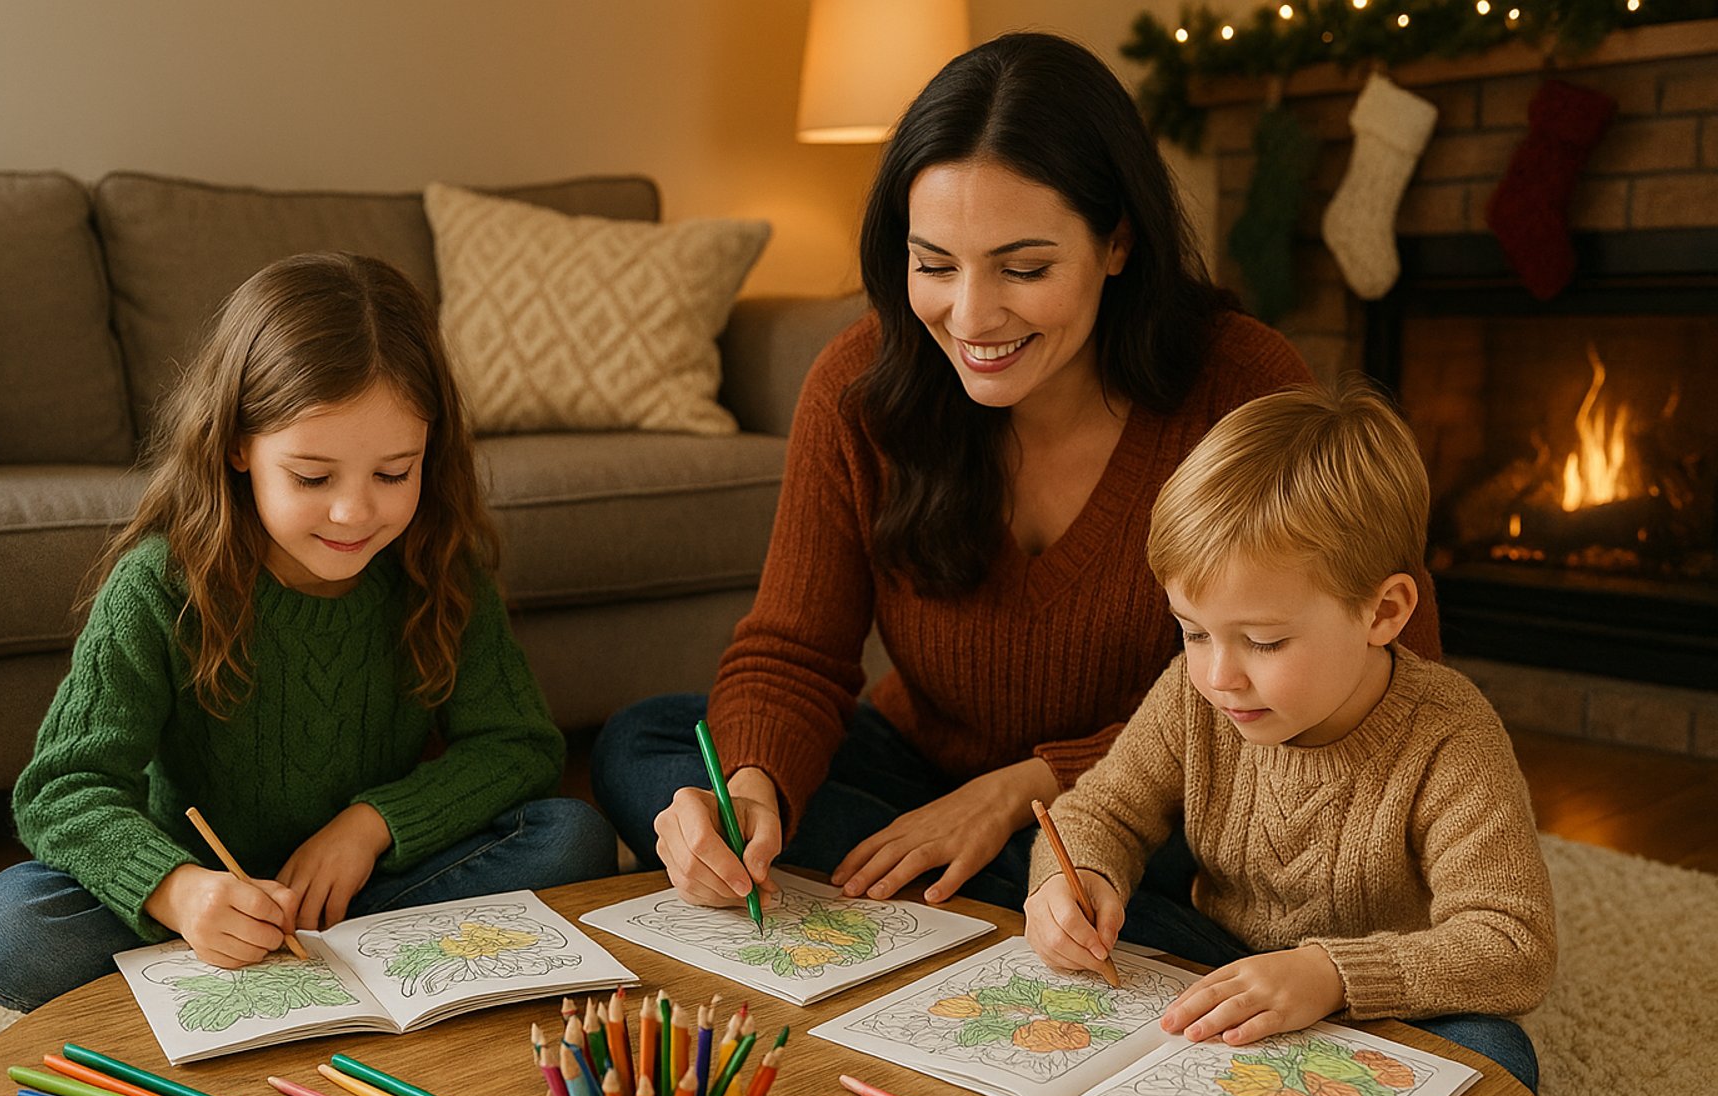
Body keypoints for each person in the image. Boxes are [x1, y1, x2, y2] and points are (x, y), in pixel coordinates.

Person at [592, 31, 1439, 915]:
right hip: (921, 767)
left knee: (1215, 851)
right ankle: (1031, 907)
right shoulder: (857, 389)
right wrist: (752, 791)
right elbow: (794, 652)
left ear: (1118, 243)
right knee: (644, 745)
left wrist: (1019, 793)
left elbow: (1387, 675)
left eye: (1024, 268)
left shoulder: (1241, 386)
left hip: (1163, 801)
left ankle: (991, 895)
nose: (970, 316)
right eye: (934, 265)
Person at [0, 253, 617, 1013]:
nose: (354, 512)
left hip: (368, 880)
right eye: (313, 478)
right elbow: (61, 787)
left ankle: (310, 948)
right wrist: (177, 892)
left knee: (572, 837)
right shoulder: (161, 583)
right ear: (238, 446)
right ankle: (264, 941)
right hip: (202, 878)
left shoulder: (440, 569)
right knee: (11, 928)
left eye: (394, 473)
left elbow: (522, 746)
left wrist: (370, 827)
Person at [1025, 381, 1555, 1090]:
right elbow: (1099, 811)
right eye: (1193, 631)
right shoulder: (1194, 689)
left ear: (1384, 612)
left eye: (1265, 642)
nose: (1218, 675)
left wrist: (1329, 975)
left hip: (1376, 991)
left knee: (1496, 1059)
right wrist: (1077, 880)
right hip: (1218, 953)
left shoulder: (1449, 732)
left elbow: (1514, 944)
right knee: (1039, 906)